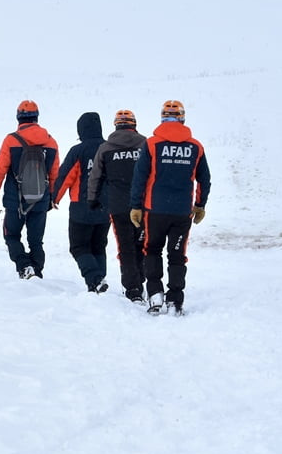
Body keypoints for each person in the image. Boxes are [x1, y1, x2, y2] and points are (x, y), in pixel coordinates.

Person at [129, 100, 210, 315]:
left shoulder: (151, 144)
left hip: (154, 210)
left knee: (152, 250)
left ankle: (155, 294)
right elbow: (205, 179)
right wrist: (200, 205)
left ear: (162, 118)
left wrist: (135, 205)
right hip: (182, 212)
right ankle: (175, 299)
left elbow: (139, 177)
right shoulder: (196, 146)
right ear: (182, 118)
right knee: (177, 255)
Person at [0, 100, 60, 279]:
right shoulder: (50, 142)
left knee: (11, 236)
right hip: (40, 200)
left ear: (19, 118)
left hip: (15, 201)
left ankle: (25, 266)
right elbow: (55, 174)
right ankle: (37, 272)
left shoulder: (11, 140)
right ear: (36, 117)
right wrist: (52, 198)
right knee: (36, 241)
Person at [87, 110, 147, 303]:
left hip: (119, 206)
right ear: (134, 125)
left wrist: (92, 199)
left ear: (116, 126)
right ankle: (141, 281)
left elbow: (95, 177)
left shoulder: (105, 148)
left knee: (126, 248)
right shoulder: (146, 144)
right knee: (142, 245)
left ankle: (133, 289)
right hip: (144, 205)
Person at [54, 112, 110, 293]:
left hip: (82, 207)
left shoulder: (78, 151)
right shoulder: (109, 148)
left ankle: (95, 279)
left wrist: (54, 198)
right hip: (105, 208)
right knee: (98, 246)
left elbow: (65, 177)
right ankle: (99, 281)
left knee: (79, 247)